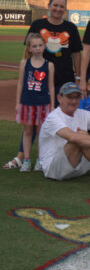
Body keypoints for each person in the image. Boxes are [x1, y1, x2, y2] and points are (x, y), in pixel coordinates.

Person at [4, 0, 82, 170]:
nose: (58, 9)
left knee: (61, 120)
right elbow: (28, 51)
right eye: (55, 5)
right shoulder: (38, 25)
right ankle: (21, 156)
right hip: (39, 83)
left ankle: (56, 156)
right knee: (32, 120)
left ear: (65, 9)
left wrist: (78, 78)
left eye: (62, 6)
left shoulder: (71, 28)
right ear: (49, 5)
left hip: (64, 80)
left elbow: (77, 54)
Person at [13, 33, 55, 172]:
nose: (37, 48)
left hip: (43, 104)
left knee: (41, 132)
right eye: (34, 46)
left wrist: (53, 105)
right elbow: (20, 83)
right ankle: (26, 160)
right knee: (28, 132)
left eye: (40, 45)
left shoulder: (49, 65)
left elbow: (51, 87)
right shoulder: (24, 63)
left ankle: (40, 159)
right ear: (29, 48)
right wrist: (18, 102)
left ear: (44, 46)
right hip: (27, 103)